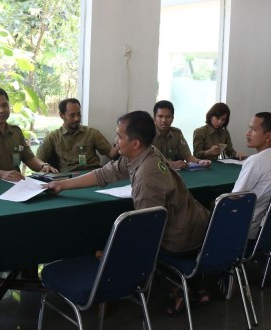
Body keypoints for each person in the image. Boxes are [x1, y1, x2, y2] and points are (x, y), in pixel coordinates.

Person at [43, 110, 211, 312]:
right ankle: (193, 286)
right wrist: (63, 184)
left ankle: (175, 288)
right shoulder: (146, 152)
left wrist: (112, 254)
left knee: (108, 244)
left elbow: (147, 232)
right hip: (196, 224)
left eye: (119, 137)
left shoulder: (147, 179)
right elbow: (106, 173)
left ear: (135, 143)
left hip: (181, 240)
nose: (115, 141)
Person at [0, 87, 58, 182]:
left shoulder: (16, 132)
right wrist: (2, 174)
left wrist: (44, 166)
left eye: (5, 105)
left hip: (16, 186)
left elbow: (29, 158)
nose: (2, 110)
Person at [232, 112, 271, 239]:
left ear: (268, 136)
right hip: (270, 228)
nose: (247, 133)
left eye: (254, 129)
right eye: (249, 128)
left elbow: (235, 197)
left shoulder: (255, 161)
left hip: (248, 228)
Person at [37, 98, 119, 172]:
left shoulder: (92, 133)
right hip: (66, 178)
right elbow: (37, 161)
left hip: (92, 175)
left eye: (78, 114)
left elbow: (111, 153)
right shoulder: (53, 137)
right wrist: (45, 166)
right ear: (62, 115)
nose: (77, 119)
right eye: (72, 115)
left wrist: (121, 141)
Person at [152, 100, 211, 169]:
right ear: (154, 119)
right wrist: (170, 164)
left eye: (168, 117)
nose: (164, 120)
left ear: (172, 118)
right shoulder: (148, 135)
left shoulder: (177, 134)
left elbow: (187, 156)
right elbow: (147, 161)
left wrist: (199, 162)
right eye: (160, 116)